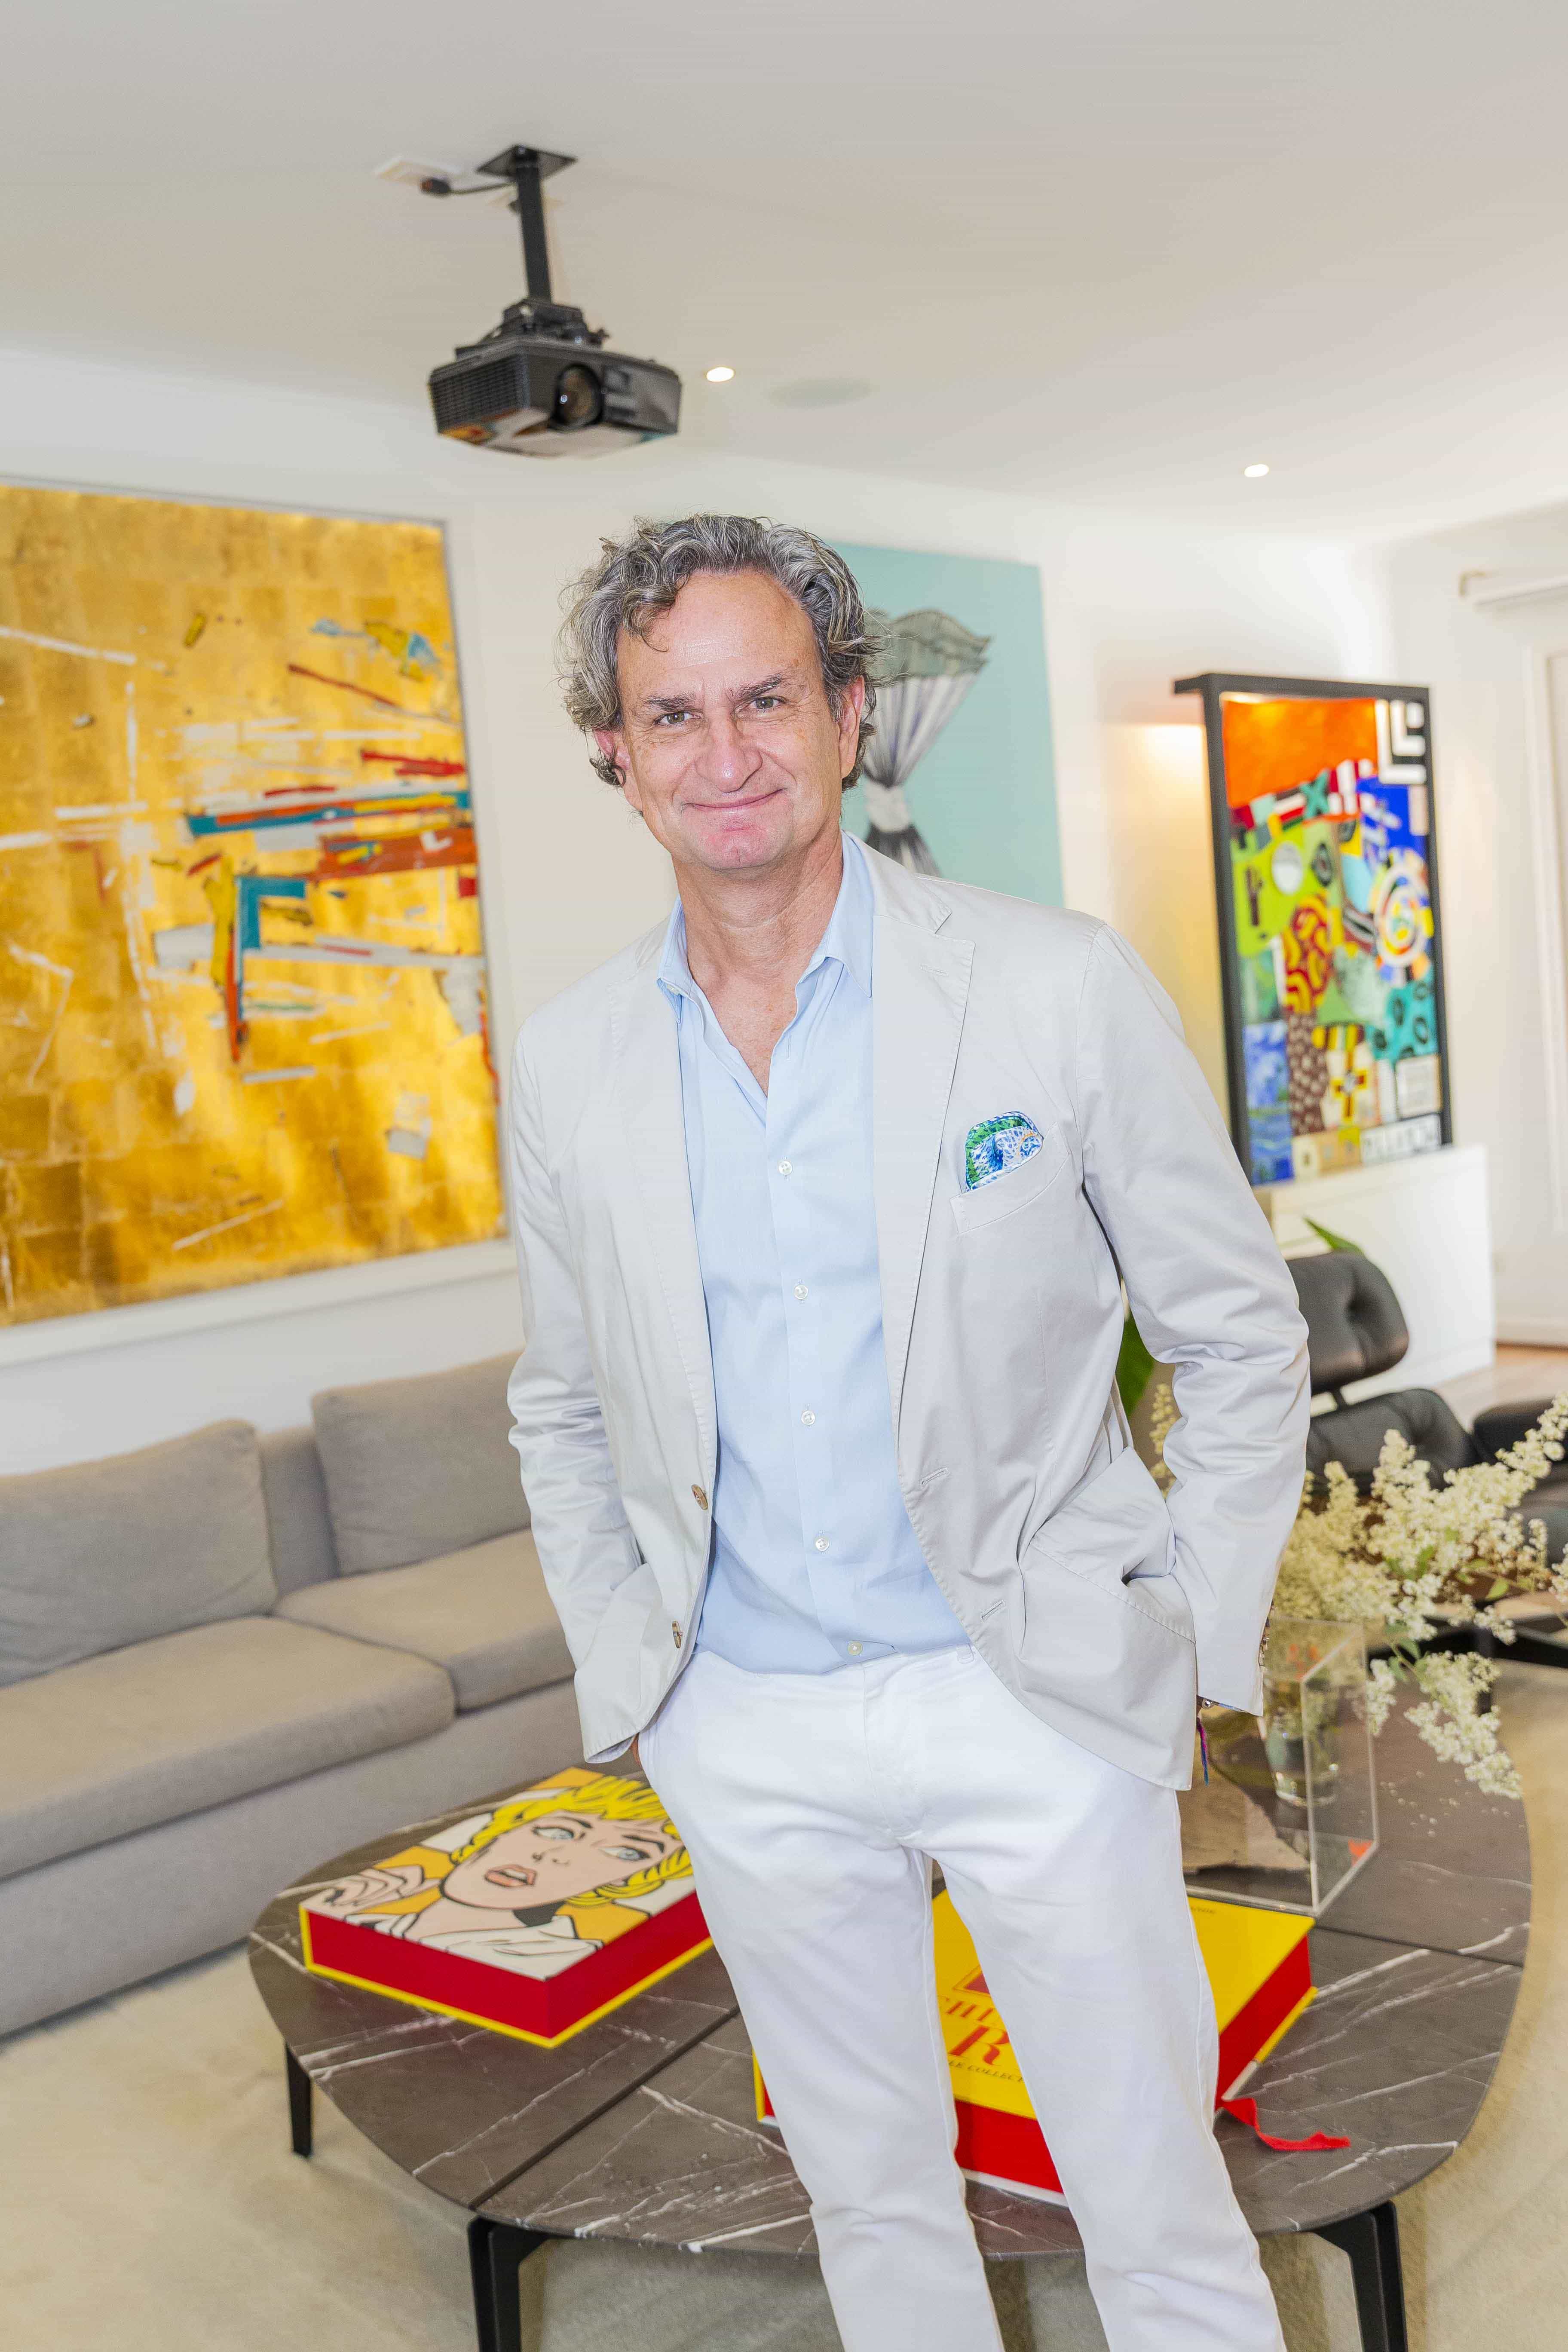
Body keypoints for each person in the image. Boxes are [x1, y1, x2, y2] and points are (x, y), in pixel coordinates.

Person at [506, 514, 1309, 2351]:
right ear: (617, 754)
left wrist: (1190, 1636)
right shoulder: (569, 1061)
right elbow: (561, 1397)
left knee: (1155, 2208)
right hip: (744, 1720)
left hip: (1031, 1692)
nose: (727, 753)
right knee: (870, 2207)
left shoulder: (1050, 984)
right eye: (674, 714)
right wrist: (644, 1676)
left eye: (767, 698)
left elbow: (1236, 1330)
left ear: (847, 714)